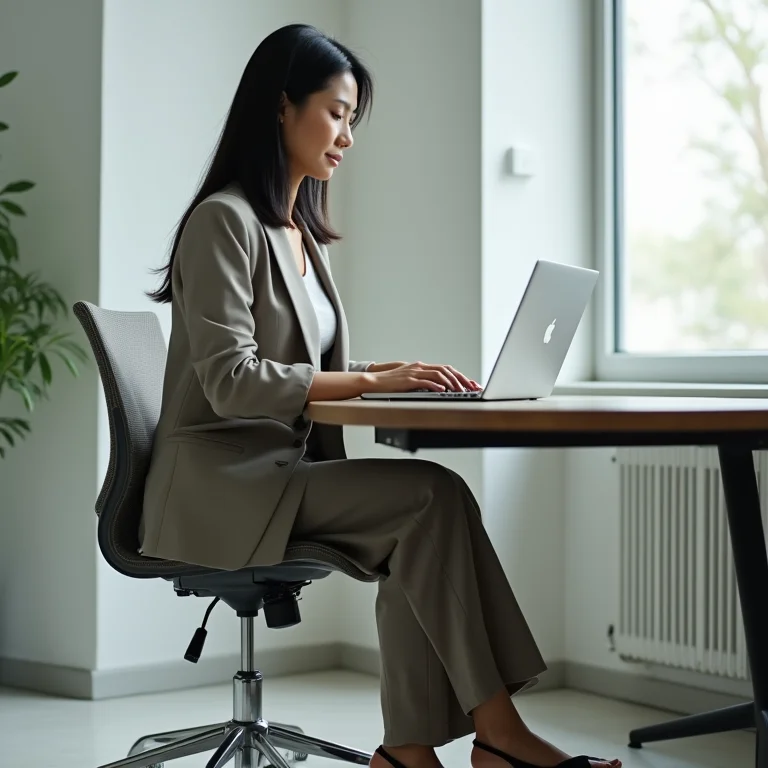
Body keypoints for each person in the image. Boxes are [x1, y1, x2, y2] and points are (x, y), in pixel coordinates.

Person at [143, 23, 620, 768]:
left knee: (425, 513)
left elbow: (293, 358)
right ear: (280, 108)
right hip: (220, 483)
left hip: (274, 473)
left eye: (351, 119)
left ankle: (409, 751)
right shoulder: (223, 222)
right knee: (429, 498)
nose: (347, 136)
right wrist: (368, 383)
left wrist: (387, 367)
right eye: (335, 112)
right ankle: (497, 737)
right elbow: (230, 379)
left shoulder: (296, 231)